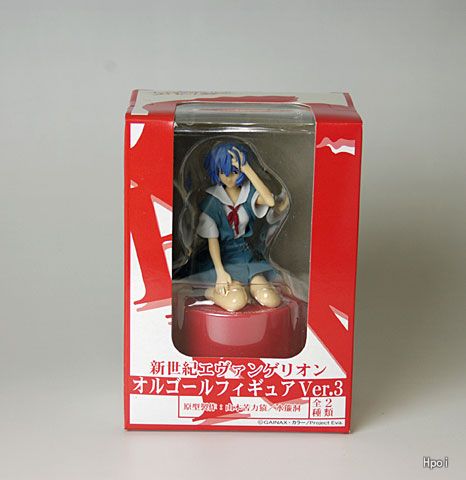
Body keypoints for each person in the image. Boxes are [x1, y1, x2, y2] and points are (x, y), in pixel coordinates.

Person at [191, 141, 282, 312]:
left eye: (234, 172)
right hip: (221, 259)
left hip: (244, 255)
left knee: (269, 298)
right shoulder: (212, 202)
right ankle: (208, 292)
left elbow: (270, 201)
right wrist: (220, 273)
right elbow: (212, 241)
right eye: (222, 172)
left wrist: (246, 168)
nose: (229, 178)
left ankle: (245, 289)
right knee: (235, 302)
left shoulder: (248, 194)